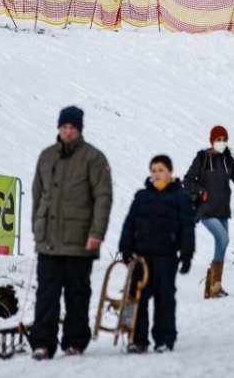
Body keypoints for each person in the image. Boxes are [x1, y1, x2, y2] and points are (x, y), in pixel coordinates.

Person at [30, 106, 113, 360]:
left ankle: (74, 342)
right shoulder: (46, 156)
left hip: (80, 240)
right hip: (49, 240)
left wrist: (97, 232)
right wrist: (37, 226)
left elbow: (103, 197)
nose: (68, 131)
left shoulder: (93, 158)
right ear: (59, 128)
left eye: (72, 128)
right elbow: (37, 193)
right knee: (46, 293)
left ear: (79, 130)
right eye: (64, 127)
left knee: (77, 292)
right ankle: (43, 343)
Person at [118, 155, 194, 354]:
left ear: (170, 172)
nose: (157, 174)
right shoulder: (142, 196)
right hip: (142, 257)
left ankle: (164, 339)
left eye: (161, 170)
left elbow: (187, 227)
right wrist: (126, 248)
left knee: (165, 298)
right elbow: (130, 222)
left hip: (166, 256)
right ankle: (137, 339)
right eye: (153, 170)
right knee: (137, 297)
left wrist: (186, 254)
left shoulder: (180, 196)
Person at [183, 126, 234, 299]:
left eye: (224, 139)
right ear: (212, 140)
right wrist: (200, 191)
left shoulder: (228, 161)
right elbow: (187, 180)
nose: (221, 143)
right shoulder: (202, 158)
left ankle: (211, 286)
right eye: (218, 139)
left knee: (223, 244)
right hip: (205, 210)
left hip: (222, 210)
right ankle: (215, 285)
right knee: (223, 239)